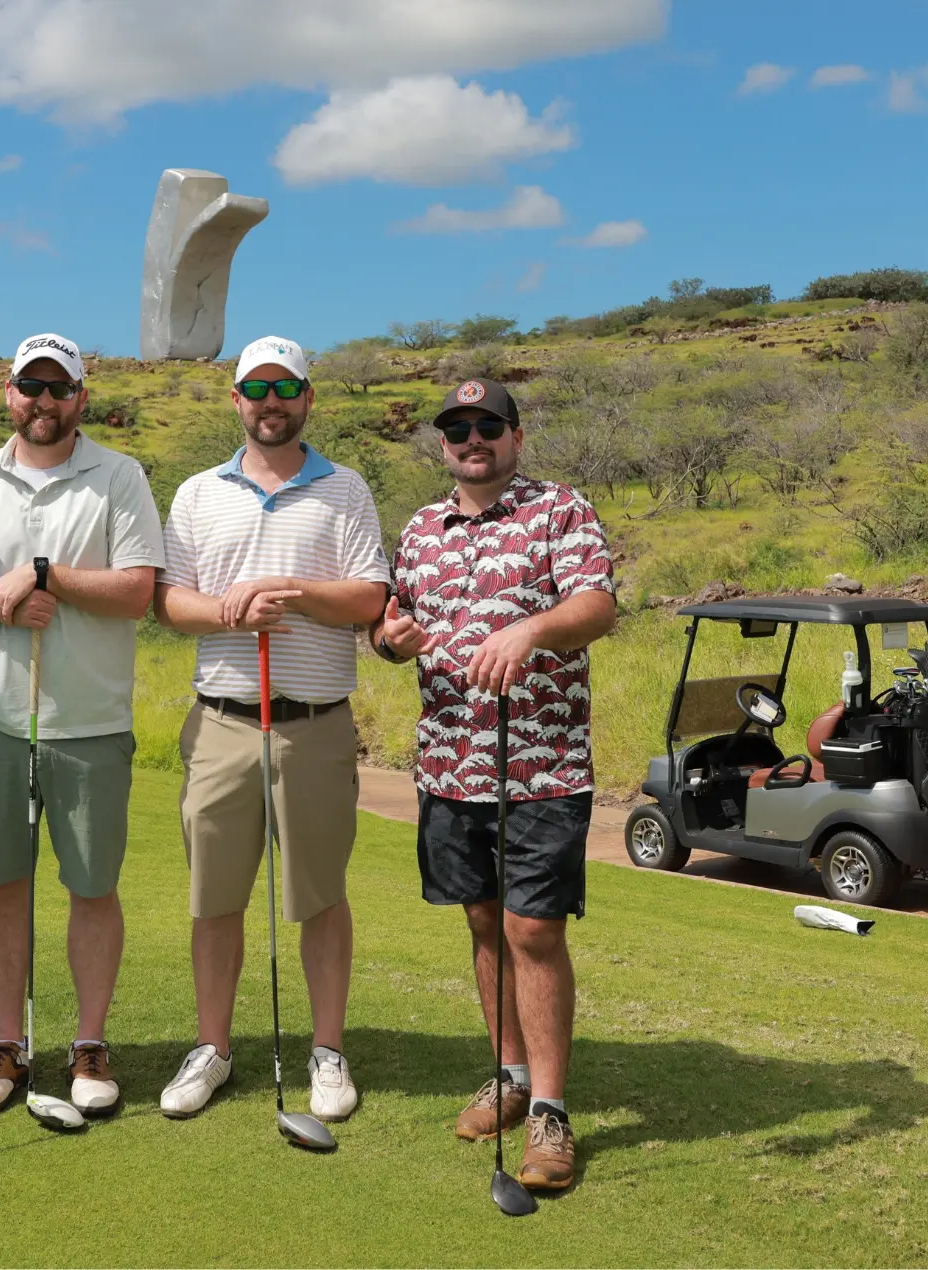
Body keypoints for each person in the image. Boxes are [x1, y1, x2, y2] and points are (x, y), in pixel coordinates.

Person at [368, 377, 617, 1192]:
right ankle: (508, 1076)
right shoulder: (421, 527)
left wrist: (530, 629)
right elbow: (395, 625)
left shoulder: (559, 510)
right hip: (447, 763)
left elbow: (596, 605)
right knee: (482, 923)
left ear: (515, 433)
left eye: (487, 426)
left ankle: (549, 1109)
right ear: (443, 445)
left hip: (542, 765)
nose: (472, 440)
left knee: (533, 931)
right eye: (457, 430)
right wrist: (391, 641)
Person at [151, 335, 389, 1123]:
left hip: (314, 725)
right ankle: (213, 1047)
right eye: (256, 387)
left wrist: (291, 595)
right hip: (222, 720)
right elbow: (171, 603)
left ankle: (327, 1050)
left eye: (286, 387)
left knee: (320, 895)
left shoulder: (346, 489)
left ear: (308, 399)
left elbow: (367, 600)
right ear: (237, 401)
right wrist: (229, 609)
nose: (271, 401)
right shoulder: (195, 493)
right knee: (214, 898)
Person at [0, 333, 164, 1119]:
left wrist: (44, 576)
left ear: (81, 400)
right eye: (32, 385)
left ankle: (89, 1044)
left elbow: (136, 592)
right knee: (2, 884)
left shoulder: (119, 476)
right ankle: (9, 1044)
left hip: (89, 720)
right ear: (8, 391)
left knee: (91, 886)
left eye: (59, 388)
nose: (44, 401)